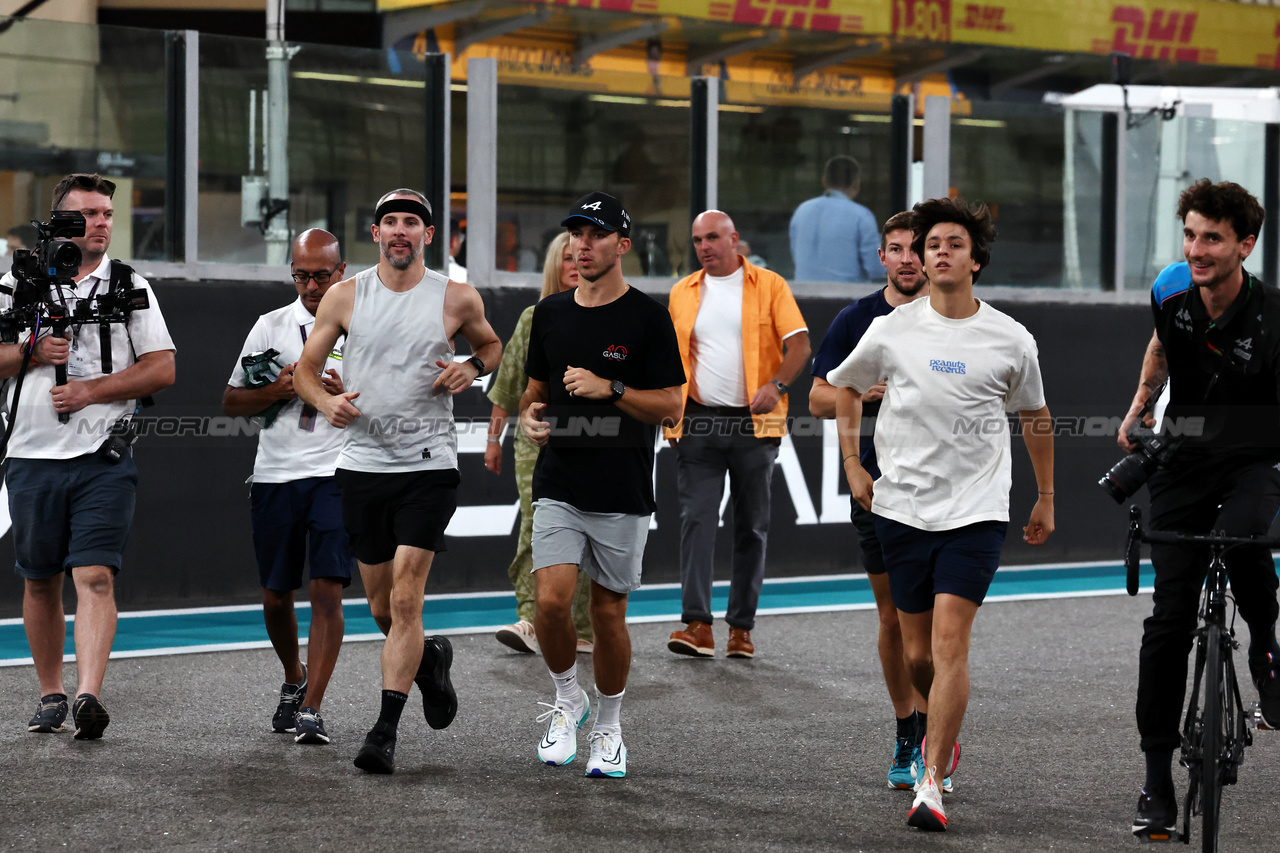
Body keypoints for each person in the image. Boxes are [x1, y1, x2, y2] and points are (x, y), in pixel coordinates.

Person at [827, 196, 1055, 831]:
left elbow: (1036, 416)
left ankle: (931, 781)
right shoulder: (891, 329)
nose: (940, 252)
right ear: (921, 261)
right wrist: (853, 465)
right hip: (900, 507)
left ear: (975, 259)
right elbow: (843, 387)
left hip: (977, 511)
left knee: (952, 647)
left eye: (954, 243)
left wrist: (1045, 496)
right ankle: (934, 729)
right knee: (917, 653)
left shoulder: (1011, 338)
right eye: (931, 245)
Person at [294, 188, 502, 774]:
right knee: (385, 609)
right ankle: (431, 659)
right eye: (390, 222)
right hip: (362, 465)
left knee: (408, 597)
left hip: (428, 465)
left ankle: (383, 731)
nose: (400, 231)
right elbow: (306, 372)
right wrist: (325, 404)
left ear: (428, 236)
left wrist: (471, 366)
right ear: (377, 234)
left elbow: (492, 345)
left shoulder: (456, 297)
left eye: (412, 222)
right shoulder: (343, 296)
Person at [1120, 180, 1280, 841]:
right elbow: (1161, 345)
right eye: (1190, 234)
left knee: (1244, 547)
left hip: (1254, 458)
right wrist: (1139, 405)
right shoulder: (1170, 292)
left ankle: (1265, 650)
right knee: (1167, 622)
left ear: (1245, 244)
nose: (1196, 248)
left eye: (1211, 237)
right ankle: (1157, 780)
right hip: (1183, 455)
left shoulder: (1273, 313)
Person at [2, 173, 176, 739]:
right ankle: (50, 692)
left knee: (95, 574)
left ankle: (87, 696)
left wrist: (89, 390)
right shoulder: (15, 283)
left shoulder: (130, 285)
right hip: (30, 453)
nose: (102, 222)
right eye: (89, 214)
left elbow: (162, 367)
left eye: (107, 213)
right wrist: (29, 351)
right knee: (39, 580)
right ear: (60, 222)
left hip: (102, 454)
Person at [519, 191, 685, 778]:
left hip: (622, 487)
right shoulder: (551, 314)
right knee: (550, 604)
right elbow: (533, 394)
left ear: (622, 244)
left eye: (593, 234)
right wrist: (530, 418)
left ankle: (609, 728)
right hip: (559, 481)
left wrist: (610, 387)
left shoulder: (647, 316)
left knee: (609, 615)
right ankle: (569, 701)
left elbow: (671, 404)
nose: (580, 244)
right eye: (574, 234)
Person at [809, 210, 936, 790]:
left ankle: (938, 738)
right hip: (880, 489)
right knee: (893, 617)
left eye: (917, 248)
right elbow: (815, 397)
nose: (907, 259)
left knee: (938, 626)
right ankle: (908, 728)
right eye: (896, 249)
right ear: (881, 257)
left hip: (946, 490)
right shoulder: (858, 319)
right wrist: (861, 388)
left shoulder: (957, 315)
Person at [222, 229, 352, 745]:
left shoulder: (363, 326)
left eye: (322, 275)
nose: (312, 286)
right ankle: (293, 677)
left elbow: (394, 402)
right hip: (276, 472)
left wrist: (349, 390)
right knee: (277, 596)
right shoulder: (270, 326)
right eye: (302, 275)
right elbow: (231, 402)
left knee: (326, 588)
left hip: (338, 470)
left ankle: (313, 707)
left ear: (342, 272)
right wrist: (281, 388)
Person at [664, 210, 809, 659]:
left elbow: (800, 344)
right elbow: (670, 358)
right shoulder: (681, 292)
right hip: (699, 421)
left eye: (712, 238)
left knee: (752, 526)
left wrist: (777, 385)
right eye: (697, 240)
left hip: (753, 425)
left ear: (734, 240)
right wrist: (672, 414)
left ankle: (740, 629)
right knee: (696, 521)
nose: (704, 246)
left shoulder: (770, 284)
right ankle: (697, 625)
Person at [485, 232, 593, 656]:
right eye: (565, 258)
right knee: (537, 527)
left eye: (578, 256)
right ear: (554, 265)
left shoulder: (609, 316)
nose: (573, 263)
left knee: (590, 534)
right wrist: (493, 442)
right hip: (536, 442)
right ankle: (531, 618)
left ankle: (582, 629)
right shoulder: (534, 317)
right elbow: (506, 390)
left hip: (592, 444)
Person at [789, 155, 883, 282]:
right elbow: (876, 270)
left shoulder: (801, 211)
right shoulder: (861, 216)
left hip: (802, 296)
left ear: (824, 181)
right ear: (856, 183)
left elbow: (796, 256)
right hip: (848, 297)